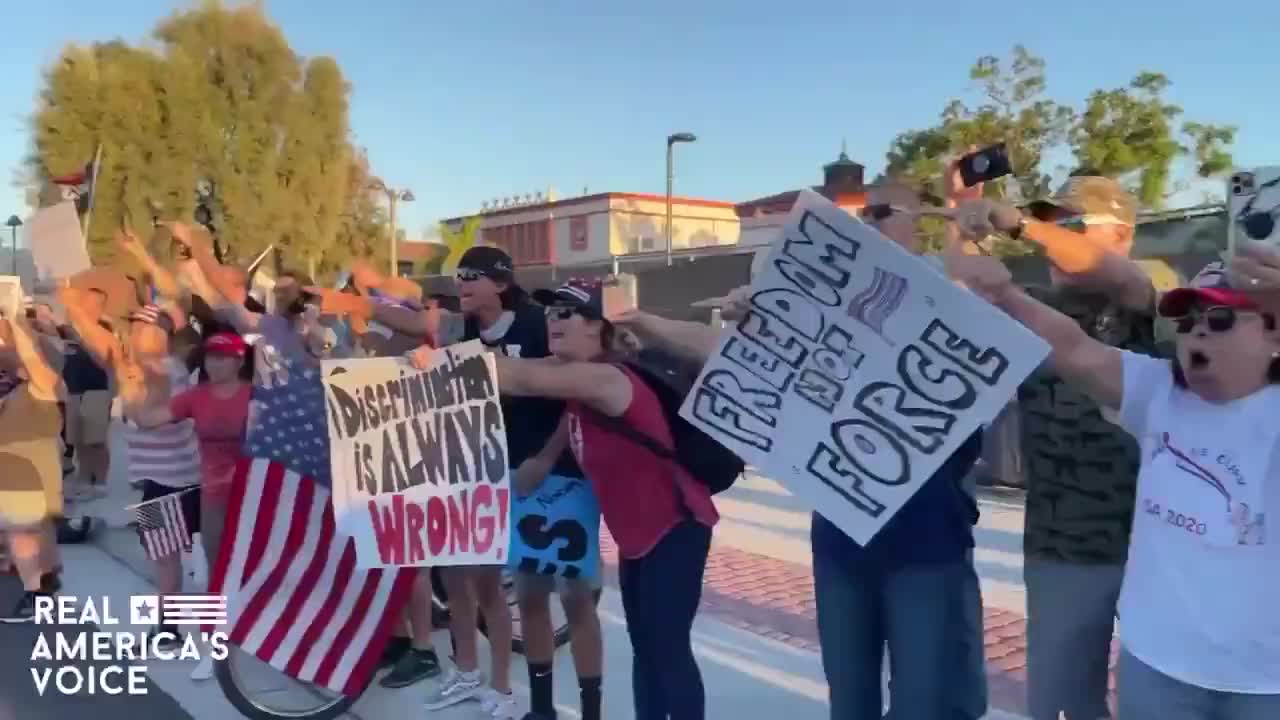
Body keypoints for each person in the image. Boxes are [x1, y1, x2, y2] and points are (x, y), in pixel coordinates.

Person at [945, 237, 1280, 719]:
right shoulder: (1158, 391)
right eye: (1189, 320)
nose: (1198, 334)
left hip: (1264, 684)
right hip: (1156, 671)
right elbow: (1075, 349)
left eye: (1221, 319)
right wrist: (1007, 296)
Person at [419, 277, 718, 720]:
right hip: (640, 539)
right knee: (647, 650)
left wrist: (437, 362)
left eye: (568, 312)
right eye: (551, 311)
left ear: (599, 327)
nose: (553, 319)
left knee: (667, 652)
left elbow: (520, 376)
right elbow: (514, 365)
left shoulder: (606, 378)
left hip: (676, 529)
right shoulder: (579, 377)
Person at [951, 174, 1158, 720]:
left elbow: (1121, 277)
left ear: (1121, 234)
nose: (1049, 237)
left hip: (1158, 552)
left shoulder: (1148, 295)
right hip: (1063, 547)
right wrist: (964, 221)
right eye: (1047, 221)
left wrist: (1022, 224)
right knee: (1063, 703)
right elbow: (948, 297)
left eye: (1068, 223)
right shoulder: (1031, 309)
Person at [133, 331, 253, 679]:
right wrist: (134, 383)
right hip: (188, 491)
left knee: (249, 567)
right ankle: (202, 644)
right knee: (207, 571)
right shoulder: (190, 395)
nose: (214, 363)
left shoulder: (253, 395)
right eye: (210, 357)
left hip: (244, 494)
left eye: (223, 357)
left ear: (240, 360)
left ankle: (256, 634)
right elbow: (145, 419)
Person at [0, 311, 66, 621]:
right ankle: (48, 579)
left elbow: (28, 354)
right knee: (40, 528)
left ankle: (35, 596)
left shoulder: (44, 386)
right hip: (27, 469)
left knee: (21, 534)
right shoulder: (23, 390)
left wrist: (17, 322)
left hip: (25, 472)